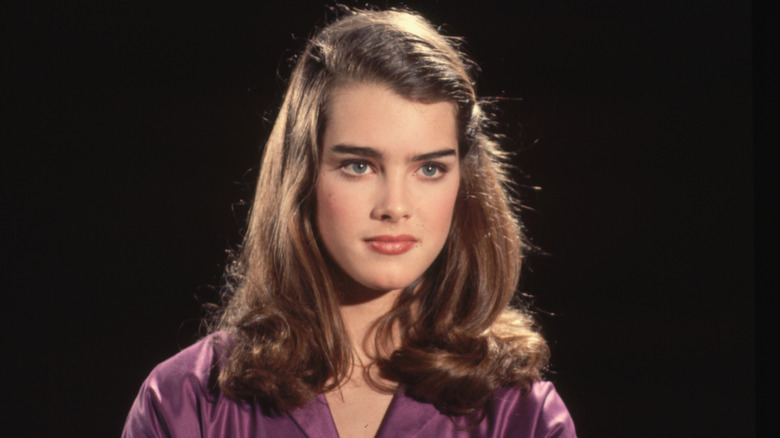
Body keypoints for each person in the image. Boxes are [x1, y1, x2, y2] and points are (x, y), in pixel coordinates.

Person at [123, 7, 576, 438]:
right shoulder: (187, 401)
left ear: (464, 183)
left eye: (430, 168)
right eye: (360, 166)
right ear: (303, 174)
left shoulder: (524, 417)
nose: (395, 206)